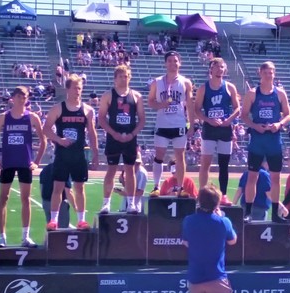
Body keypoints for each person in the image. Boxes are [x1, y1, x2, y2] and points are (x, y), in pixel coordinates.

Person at [0, 86, 47, 248]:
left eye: (25, 97)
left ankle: (25, 237)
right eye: (19, 96)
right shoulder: (3, 117)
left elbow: (44, 140)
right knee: (3, 198)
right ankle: (2, 237)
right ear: (13, 98)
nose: (22, 99)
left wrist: (37, 162)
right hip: (7, 163)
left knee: (25, 199)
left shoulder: (32, 117)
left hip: (24, 164)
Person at [42, 74, 99, 231]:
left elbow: (92, 133)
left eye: (80, 88)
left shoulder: (88, 110)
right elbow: (46, 129)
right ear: (68, 89)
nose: (78, 91)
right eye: (75, 88)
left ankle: (81, 220)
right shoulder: (58, 108)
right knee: (58, 187)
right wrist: (59, 140)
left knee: (80, 188)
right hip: (62, 155)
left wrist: (95, 153)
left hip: (78, 155)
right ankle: (53, 220)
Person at [240, 61, 290, 222]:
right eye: (266, 72)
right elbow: (243, 116)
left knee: (275, 178)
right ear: (260, 73)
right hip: (257, 140)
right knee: (252, 177)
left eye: (271, 72)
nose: (269, 75)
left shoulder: (280, 93)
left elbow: (289, 115)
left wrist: (279, 124)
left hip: (274, 141)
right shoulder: (252, 93)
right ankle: (248, 212)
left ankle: (276, 212)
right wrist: (255, 125)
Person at [97, 65, 146, 214]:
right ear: (115, 78)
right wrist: (113, 133)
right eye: (121, 76)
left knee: (130, 170)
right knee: (111, 170)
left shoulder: (136, 96)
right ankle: (106, 203)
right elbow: (101, 118)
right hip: (113, 138)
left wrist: (132, 134)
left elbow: (142, 119)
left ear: (130, 78)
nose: (124, 79)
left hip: (130, 139)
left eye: (126, 76)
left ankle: (131, 204)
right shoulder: (108, 95)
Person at [147, 51, 194, 197]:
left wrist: (191, 124)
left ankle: (181, 188)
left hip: (179, 123)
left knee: (180, 156)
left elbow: (190, 105)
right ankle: (156, 186)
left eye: (175, 61)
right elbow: (150, 102)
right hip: (162, 124)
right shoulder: (157, 82)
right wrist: (161, 105)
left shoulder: (185, 82)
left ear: (180, 63)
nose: (173, 63)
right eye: (170, 61)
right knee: (159, 155)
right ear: (165, 63)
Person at [195, 57, 240, 205]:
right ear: (211, 69)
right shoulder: (203, 88)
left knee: (224, 164)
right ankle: (201, 194)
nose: (220, 69)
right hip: (209, 129)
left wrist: (229, 120)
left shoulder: (229, 87)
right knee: (205, 163)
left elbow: (237, 108)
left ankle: (224, 195)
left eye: (222, 67)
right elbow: (197, 110)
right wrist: (208, 120)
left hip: (225, 129)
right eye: (217, 67)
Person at [38, 161, 76, 228]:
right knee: (62, 229)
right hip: (60, 204)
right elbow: (68, 191)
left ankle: (48, 238)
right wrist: (75, 206)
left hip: (46, 201)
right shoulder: (64, 169)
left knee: (51, 228)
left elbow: (41, 186)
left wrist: (44, 200)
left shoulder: (45, 169)